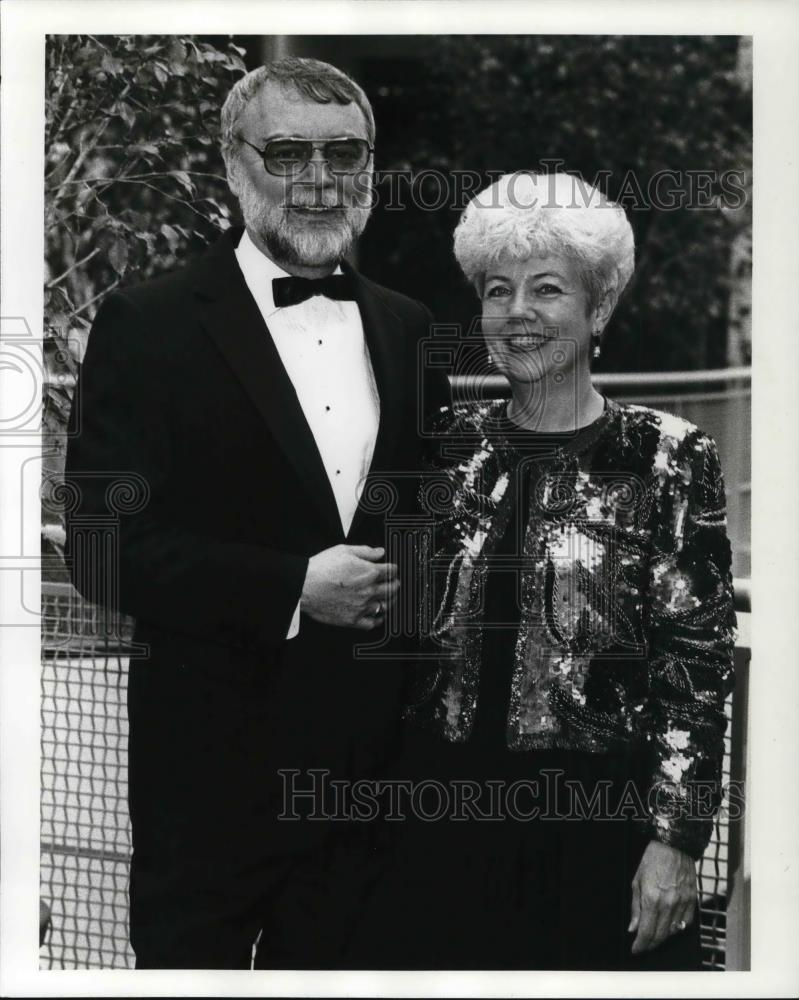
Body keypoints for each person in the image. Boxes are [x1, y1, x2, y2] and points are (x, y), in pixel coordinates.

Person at [65, 57, 445, 969]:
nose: (319, 182)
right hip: (207, 791)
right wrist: (290, 588)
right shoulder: (144, 324)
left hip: (365, 795)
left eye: (344, 154)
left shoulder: (408, 325)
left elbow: (422, 524)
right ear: (235, 167)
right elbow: (102, 548)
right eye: (287, 153)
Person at [362, 171, 737, 970]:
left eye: (545, 289)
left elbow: (695, 673)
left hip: (594, 831)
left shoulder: (667, 457)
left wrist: (676, 843)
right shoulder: (443, 444)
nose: (517, 312)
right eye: (497, 291)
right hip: (436, 822)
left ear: (598, 308)